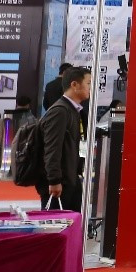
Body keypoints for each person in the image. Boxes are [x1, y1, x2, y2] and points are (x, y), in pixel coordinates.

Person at [36, 66, 90, 211]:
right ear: (74, 85)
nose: (90, 88)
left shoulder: (74, 110)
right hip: (60, 183)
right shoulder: (60, 111)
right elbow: (52, 148)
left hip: (70, 178)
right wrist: (54, 180)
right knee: (56, 221)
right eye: (88, 83)